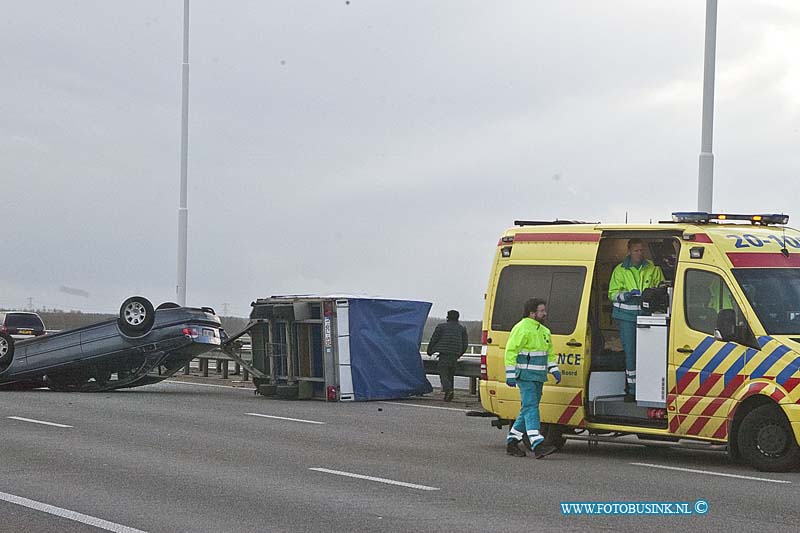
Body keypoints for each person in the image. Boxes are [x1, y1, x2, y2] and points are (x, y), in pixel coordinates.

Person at [608, 238, 664, 401]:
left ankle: (649, 389)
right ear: (629, 251)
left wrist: (652, 295)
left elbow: (661, 288)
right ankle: (632, 390)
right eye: (636, 250)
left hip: (649, 318)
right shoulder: (620, 270)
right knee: (631, 353)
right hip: (627, 318)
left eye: (641, 250)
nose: (639, 253)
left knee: (649, 354)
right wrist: (626, 295)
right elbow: (612, 294)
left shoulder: (653, 268)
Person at [505, 298, 562, 459]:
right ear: (532, 313)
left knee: (527, 409)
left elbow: (549, 354)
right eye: (541, 311)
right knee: (531, 408)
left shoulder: (544, 331)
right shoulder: (521, 328)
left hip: (538, 377)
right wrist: (510, 375)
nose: (545, 313)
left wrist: (554, 369)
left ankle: (512, 442)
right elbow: (510, 352)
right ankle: (537, 444)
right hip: (525, 377)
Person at [426, 309, 469, 402]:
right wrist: (459, 353)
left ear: (447, 317)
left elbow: (434, 339)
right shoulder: (462, 329)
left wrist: (429, 351)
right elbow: (465, 344)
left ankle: (448, 390)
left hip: (444, 354)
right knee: (450, 374)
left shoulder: (441, 327)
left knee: (443, 373)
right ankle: (449, 394)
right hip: (455, 355)